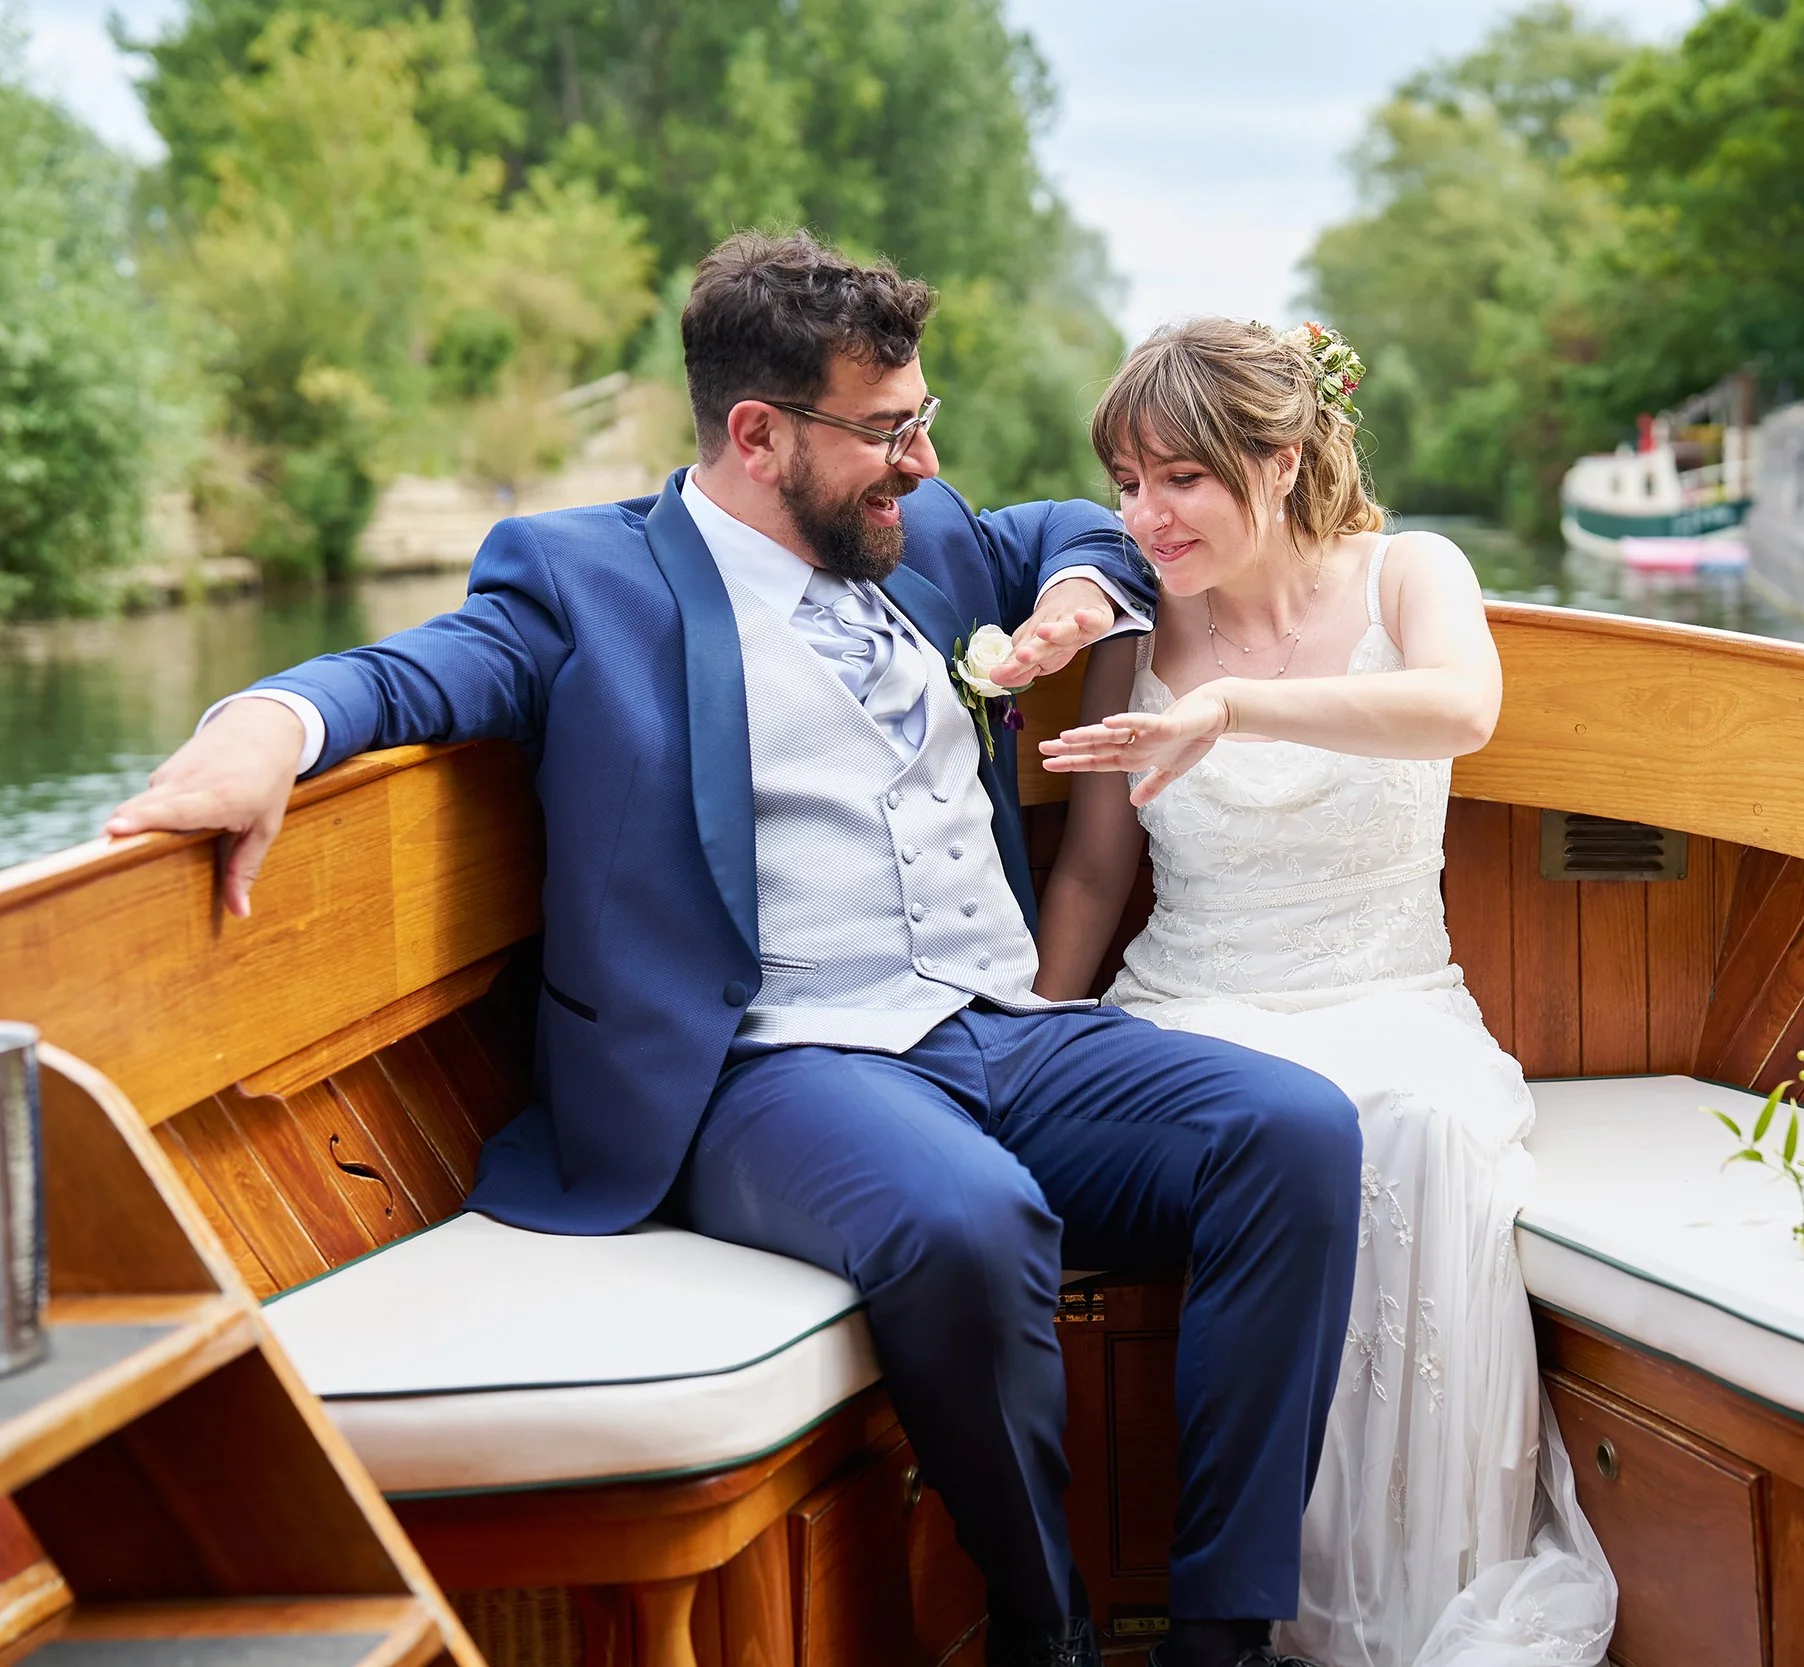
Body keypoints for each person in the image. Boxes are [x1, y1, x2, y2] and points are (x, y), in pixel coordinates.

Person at [104, 234, 1361, 1667]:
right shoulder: (586, 578)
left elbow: (1072, 526)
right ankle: (1045, 1626)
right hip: (773, 1066)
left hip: (1001, 1027)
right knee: (967, 1219)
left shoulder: (929, 539)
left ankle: (1223, 1637)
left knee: (1294, 1131)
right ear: (759, 435)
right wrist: (262, 727)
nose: (928, 463)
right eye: (892, 431)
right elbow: (411, 671)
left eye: (926, 418)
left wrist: (1077, 603)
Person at [1034, 318, 1616, 1667]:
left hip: (1392, 988)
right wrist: (1028, 1043)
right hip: (1192, 999)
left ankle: (1401, 1612)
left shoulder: (1413, 571)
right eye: (1126, 480)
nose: (1144, 513)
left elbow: (1462, 708)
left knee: (1421, 1127)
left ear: (1280, 460)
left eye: (1178, 476)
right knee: (1279, 1123)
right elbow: (1088, 874)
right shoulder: (1130, 626)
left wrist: (1230, 708)